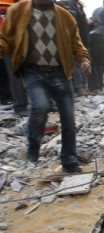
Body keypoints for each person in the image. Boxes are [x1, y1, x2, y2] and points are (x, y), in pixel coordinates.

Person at [0, 0, 91, 172]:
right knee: (40, 106)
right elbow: (5, 39)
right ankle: (34, 143)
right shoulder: (17, 11)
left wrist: (84, 59)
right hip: (33, 71)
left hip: (60, 72)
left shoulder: (64, 15)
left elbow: (76, 43)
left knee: (68, 119)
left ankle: (69, 159)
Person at [87, 3, 104, 92]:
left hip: (91, 36)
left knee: (93, 63)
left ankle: (93, 86)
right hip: (100, 36)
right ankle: (102, 84)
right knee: (102, 63)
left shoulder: (96, 10)